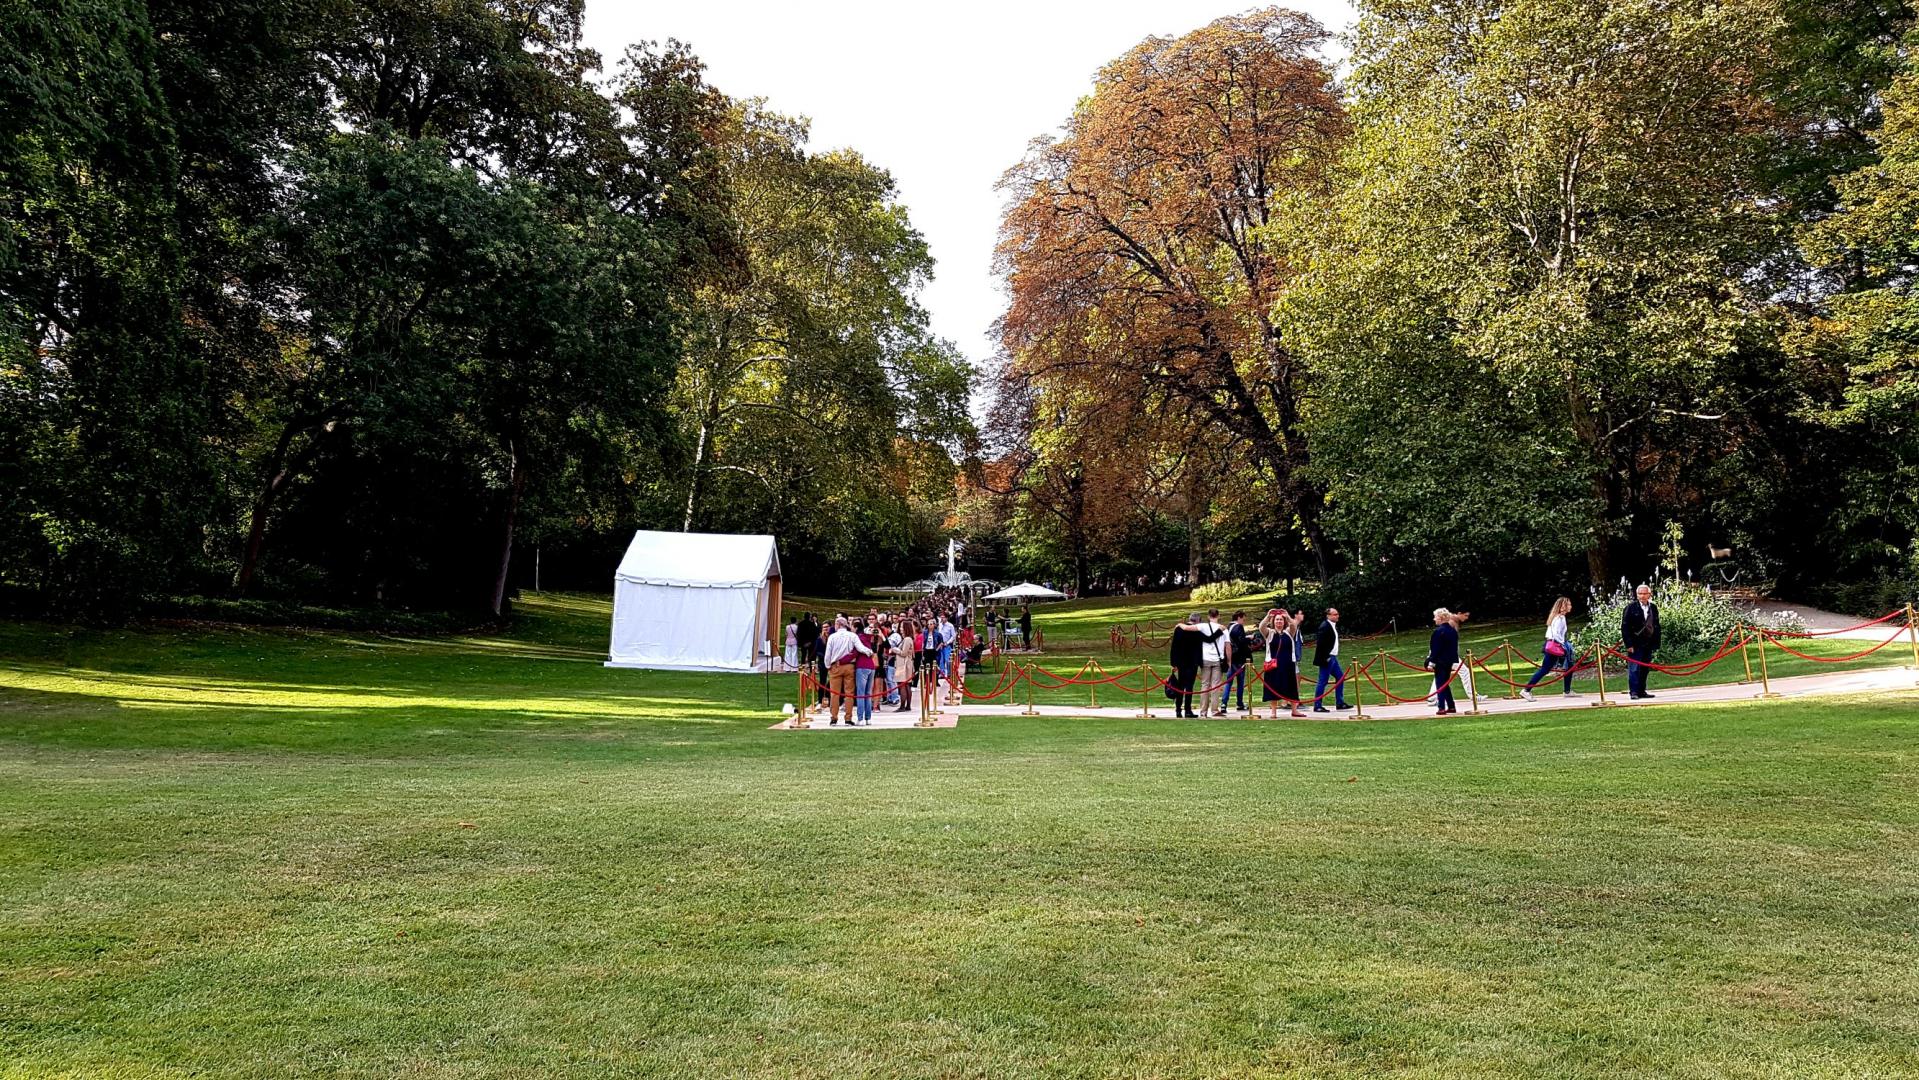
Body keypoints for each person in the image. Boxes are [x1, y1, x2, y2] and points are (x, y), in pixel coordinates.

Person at [1521, 597, 1577, 700]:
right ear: (1563, 607)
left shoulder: (1555, 617)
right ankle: (1526, 690)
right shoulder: (1560, 618)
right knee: (1545, 669)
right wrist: (1563, 643)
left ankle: (1567, 690)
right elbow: (1556, 634)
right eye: (1568, 604)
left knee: (1568, 666)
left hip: (1552, 645)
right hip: (1555, 646)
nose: (1570, 606)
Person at [821, 616, 872, 725]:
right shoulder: (852, 635)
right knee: (849, 693)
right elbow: (860, 647)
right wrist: (869, 652)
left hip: (835, 666)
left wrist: (828, 665)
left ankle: (834, 717)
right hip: (849, 666)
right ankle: (848, 718)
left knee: (835, 693)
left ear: (838, 625)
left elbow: (828, 654)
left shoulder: (832, 637)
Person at [1260, 610, 1305, 718]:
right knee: (1273, 687)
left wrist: (1287, 616)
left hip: (1288, 664)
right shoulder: (1269, 633)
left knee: (1292, 687)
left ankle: (1294, 710)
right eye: (1277, 619)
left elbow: (1294, 625)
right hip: (1274, 665)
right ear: (1273, 621)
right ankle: (1273, 711)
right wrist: (1268, 616)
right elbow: (1261, 627)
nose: (1279, 621)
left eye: (1281, 619)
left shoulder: (1289, 632)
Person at [1166, 614, 1209, 718]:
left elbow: (1174, 647)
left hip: (1181, 662)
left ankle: (1178, 709)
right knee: (1189, 686)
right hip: (1192, 662)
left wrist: (1174, 663)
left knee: (1180, 685)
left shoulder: (1179, 629)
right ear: (1198, 620)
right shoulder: (1197, 631)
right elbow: (1203, 644)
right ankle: (1188, 710)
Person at [1621, 584, 1660, 699]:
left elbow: (1656, 624)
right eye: (1640, 594)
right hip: (1635, 643)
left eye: (1644, 593)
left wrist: (1656, 642)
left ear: (1649, 594)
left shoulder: (1653, 607)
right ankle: (1633, 692)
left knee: (1644, 668)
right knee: (1634, 668)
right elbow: (1625, 627)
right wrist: (1629, 644)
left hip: (1648, 642)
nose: (1642, 596)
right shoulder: (1630, 608)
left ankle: (1642, 691)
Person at [1312, 607, 1351, 712]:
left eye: (1337, 614)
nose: (1337, 616)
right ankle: (1317, 705)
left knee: (1340, 677)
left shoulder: (1332, 626)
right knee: (1322, 681)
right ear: (1328, 616)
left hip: (1333, 657)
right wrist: (1326, 658)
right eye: (1334, 614)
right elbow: (1320, 644)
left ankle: (1340, 702)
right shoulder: (1325, 626)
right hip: (1327, 658)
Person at [1426, 607, 1461, 715]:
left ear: (1440, 618)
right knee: (1445, 684)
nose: (1434, 619)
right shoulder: (1452, 631)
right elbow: (1454, 648)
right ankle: (1451, 706)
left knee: (1440, 684)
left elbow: (1435, 649)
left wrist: (1431, 662)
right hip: (1449, 661)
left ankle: (1441, 707)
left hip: (1440, 661)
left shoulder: (1438, 632)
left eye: (1435, 617)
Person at [1198, 607, 1227, 717]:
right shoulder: (1224, 629)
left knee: (1205, 685)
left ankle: (1203, 711)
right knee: (1215, 686)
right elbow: (1227, 645)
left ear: (1208, 616)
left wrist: (1180, 625)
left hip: (1205, 658)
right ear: (1218, 616)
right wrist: (1228, 661)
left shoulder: (1202, 627)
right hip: (1217, 659)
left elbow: (1189, 628)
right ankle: (1214, 710)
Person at [853, 619, 881, 725]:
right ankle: (868, 718)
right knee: (868, 693)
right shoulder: (870, 639)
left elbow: (856, 651)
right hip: (871, 666)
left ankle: (860, 718)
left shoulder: (859, 638)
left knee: (861, 693)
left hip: (862, 665)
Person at [1224, 610, 1252, 714]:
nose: (1244, 621)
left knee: (1229, 681)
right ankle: (1239, 703)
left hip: (1231, 658)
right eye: (1243, 619)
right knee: (1240, 682)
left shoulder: (1228, 627)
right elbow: (1241, 642)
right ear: (1239, 617)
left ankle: (1224, 703)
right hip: (1239, 659)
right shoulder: (1238, 627)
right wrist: (1249, 638)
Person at [893, 618, 917, 712]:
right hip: (905, 664)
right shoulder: (907, 639)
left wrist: (895, 649)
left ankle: (903, 705)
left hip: (904, 664)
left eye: (902, 627)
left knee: (903, 684)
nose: (901, 629)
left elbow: (903, 653)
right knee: (906, 685)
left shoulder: (907, 639)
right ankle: (906, 705)